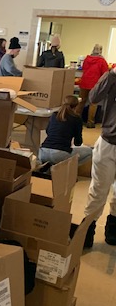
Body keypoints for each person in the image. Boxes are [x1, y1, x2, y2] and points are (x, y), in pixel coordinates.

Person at [83, 66, 116, 248]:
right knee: (98, 190)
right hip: (108, 144)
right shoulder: (112, 77)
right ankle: (87, 230)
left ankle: (113, 228)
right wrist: (111, 75)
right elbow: (93, 97)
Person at [38, 95, 92, 166]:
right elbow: (78, 143)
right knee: (90, 151)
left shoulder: (54, 115)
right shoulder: (76, 119)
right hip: (60, 153)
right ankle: (66, 169)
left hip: (42, 152)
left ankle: (50, 167)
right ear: (76, 106)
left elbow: (48, 131)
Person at [76, 43, 108, 128]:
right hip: (95, 85)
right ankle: (90, 122)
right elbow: (105, 73)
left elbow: (83, 68)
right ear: (100, 51)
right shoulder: (102, 61)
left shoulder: (87, 59)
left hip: (84, 82)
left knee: (81, 101)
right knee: (93, 103)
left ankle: (76, 119)